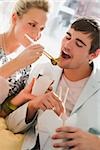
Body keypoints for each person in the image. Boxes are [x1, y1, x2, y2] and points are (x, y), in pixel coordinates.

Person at [6, 17, 100, 150]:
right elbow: (11, 124)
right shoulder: (43, 71)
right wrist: (33, 105)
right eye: (68, 37)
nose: (67, 45)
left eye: (79, 44)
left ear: (93, 55)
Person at [0, 0, 50, 116]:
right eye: (32, 25)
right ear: (14, 18)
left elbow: (3, 112)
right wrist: (17, 63)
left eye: (41, 29)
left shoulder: (26, 65)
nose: (36, 34)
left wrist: (23, 96)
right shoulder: (22, 60)